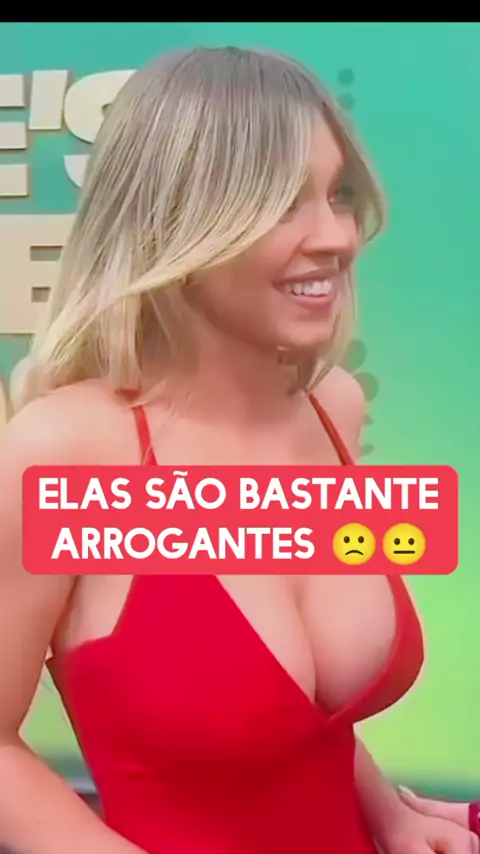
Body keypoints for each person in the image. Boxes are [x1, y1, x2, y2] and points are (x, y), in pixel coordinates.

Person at [0, 46, 475, 854]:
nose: (337, 237)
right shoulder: (69, 450)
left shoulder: (334, 409)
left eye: (339, 195)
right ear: (174, 222)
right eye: (282, 201)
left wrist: (390, 815)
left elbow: (300, 717)